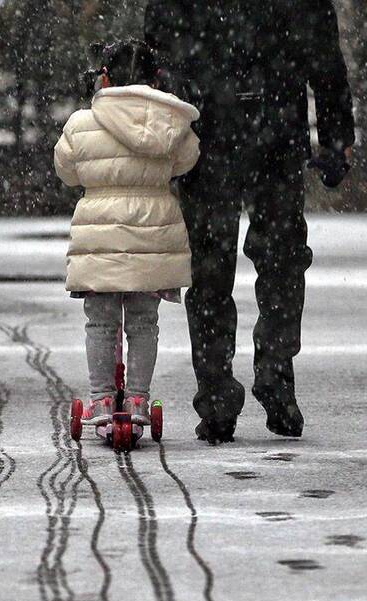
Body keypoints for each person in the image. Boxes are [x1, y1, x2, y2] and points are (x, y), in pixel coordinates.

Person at [145, 0, 355, 444]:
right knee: (279, 261)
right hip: (272, 131)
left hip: (210, 134)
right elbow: (325, 58)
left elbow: (158, 54)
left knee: (211, 270)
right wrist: (337, 138)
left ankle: (220, 398)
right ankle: (274, 377)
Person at [53, 39, 200, 428]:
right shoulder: (169, 123)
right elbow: (188, 160)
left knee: (100, 322)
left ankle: (101, 399)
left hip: (99, 234)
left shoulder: (81, 124)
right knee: (143, 322)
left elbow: (67, 171)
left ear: (105, 77)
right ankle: (137, 399)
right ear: (156, 78)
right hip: (153, 233)